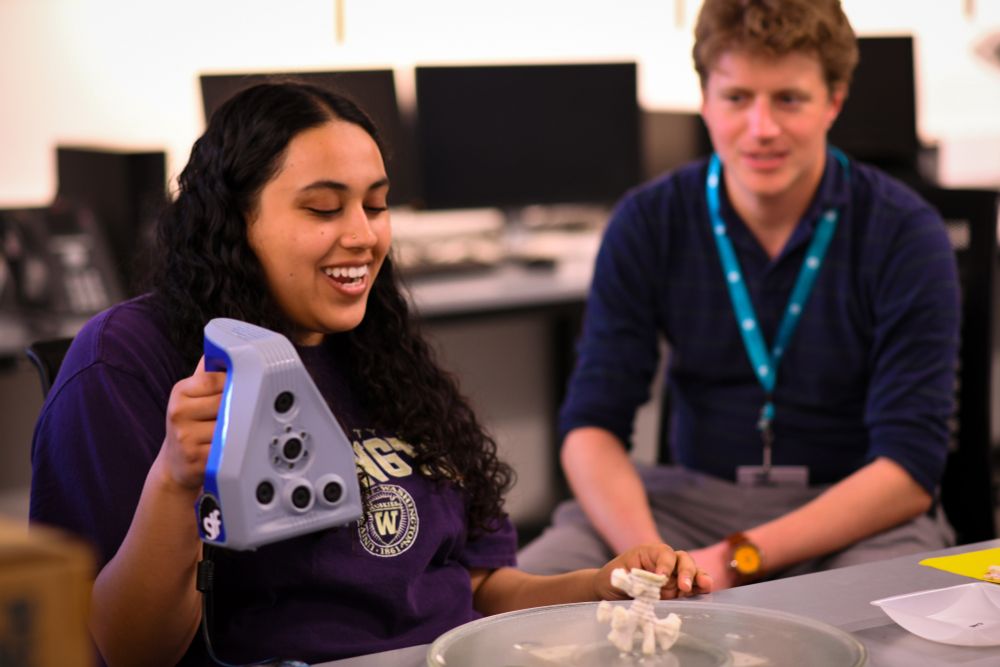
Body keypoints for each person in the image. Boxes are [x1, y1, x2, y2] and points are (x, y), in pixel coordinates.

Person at [28, 82, 711, 667]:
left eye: (375, 204)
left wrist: (601, 583)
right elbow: (128, 649)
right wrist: (176, 483)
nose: (362, 234)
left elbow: (475, 586)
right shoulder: (127, 362)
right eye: (324, 208)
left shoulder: (379, 349)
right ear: (234, 223)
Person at [518, 0, 960, 591]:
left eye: (789, 99)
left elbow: (909, 470)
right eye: (737, 98)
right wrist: (650, 557)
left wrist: (735, 558)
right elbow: (591, 428)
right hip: (683, 510)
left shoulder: (904, 231)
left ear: (833, 100)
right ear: (705, 100)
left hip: (852, 514)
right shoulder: (649, 221)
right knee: (525, 601)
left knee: (888, 632)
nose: (762, 128)